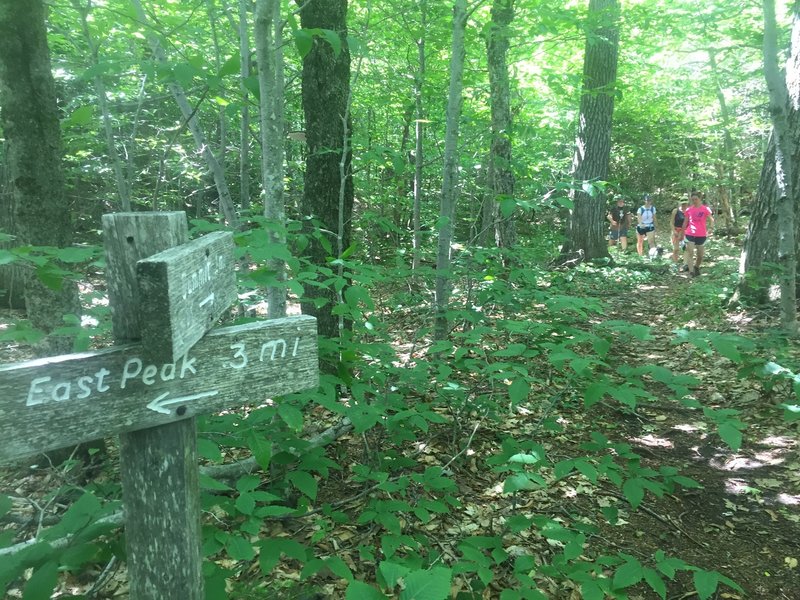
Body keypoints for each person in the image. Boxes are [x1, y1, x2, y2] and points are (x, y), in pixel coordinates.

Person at [682, 191, 714, 277]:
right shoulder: (689, 209)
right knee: (690, 252)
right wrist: (682, 233)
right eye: (692, 199)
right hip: (690, 233)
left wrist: (711, 228)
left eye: (696, 199)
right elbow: (685, 222)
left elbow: (711, 219)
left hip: (701, 234)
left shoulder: (705, 209)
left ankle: (696, 267)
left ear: (700, 199)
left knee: (700, 255)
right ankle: (691, 272)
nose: (694, 201)